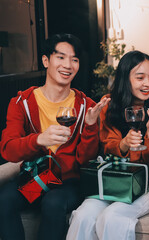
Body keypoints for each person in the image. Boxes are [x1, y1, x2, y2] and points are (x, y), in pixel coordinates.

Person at [0, 33, 110, 240]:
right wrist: (39, 139)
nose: (68, 65)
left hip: (68, 183)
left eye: (74, 59)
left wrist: (90, 126)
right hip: (37, 180)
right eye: (61, 57)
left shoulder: (86, 106)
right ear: (45, 61)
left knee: (53, 202)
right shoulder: (22, 102)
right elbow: (8, 149)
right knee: (5, 199)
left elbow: (85, 162)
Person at [67, 50, 149, 240]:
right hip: (115, 181)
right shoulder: (108, 106)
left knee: (112, 216)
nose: (148, 83)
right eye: (140, 77)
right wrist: (123, 144)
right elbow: (107, 147)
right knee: (83, 215)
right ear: (125, 79)